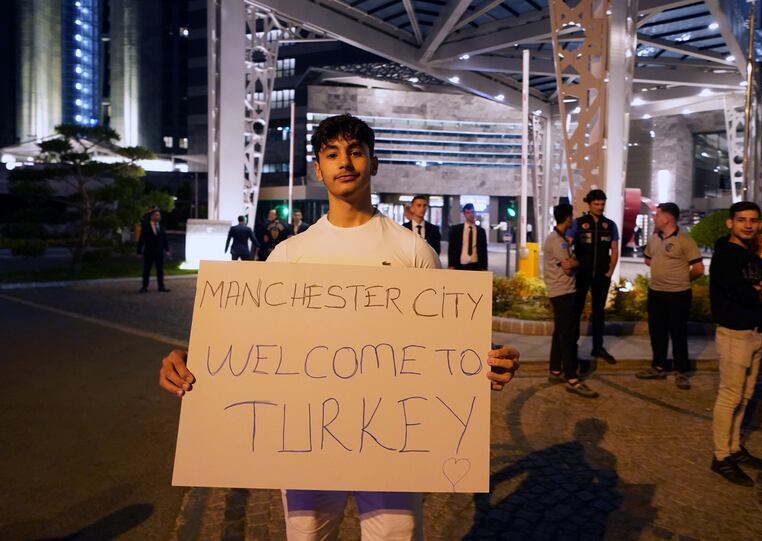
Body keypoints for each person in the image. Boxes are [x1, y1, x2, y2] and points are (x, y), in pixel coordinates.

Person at [159, 113, 519, 541]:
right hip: (305, 436)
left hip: (394, 438)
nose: (344, 162)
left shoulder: (414, 252)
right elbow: (253, 345)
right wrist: (192, 359)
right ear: (318, 169)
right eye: (332, 154)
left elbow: (442, 345)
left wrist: (490, 357)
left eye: (355, 152)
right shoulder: (289, 255)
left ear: (374, 162)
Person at [708, 201, 762, 487]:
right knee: (730, 395)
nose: (748, 224)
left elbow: (755, 291)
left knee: (745, 396)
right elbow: (740, 293)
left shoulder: (755, 259)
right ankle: (720, 457)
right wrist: (758, 291)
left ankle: (733, 447)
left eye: (753, 220)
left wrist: (757, 291)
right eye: (742, 219)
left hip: (757, 332)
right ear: (730, 223)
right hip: (734, 333)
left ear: (759, 225)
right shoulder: (724, 256)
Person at [636, 203, 704, 389]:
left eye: (657, 215)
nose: (654, 218)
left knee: (678, 333)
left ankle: (681, 371)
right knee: (656, 332)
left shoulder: (684, 240)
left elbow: (698, 269)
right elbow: (648, 259)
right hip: (655, 293)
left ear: (667, 218)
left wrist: (682, 280)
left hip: (678, 295)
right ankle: (658, 367)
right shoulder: (654, 239)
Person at [543, 203, 598, 398]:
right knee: (568, 335)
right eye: (571, 216)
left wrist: (573, 261)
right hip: (563, 292)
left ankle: (555, 370)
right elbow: (568, 266)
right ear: (567, 218)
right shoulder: (558, 242)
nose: (573, 219)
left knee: (560, 332)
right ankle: (571, 377)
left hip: (560, 291)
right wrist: (577, 262)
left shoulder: (560, 238)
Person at [567, 189, 619, 364]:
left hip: (602, 276)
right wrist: (570, 265)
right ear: (589, 205)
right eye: (596, 204)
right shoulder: (578, 223)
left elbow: (615, 250)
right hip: (582, 275)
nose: (600, 207)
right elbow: (566, 245)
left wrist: (610, 272)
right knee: (575, 312)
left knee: (599, 313)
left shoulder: (610, 225)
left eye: (602, 204)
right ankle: (572, 347)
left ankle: (598, 347)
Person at [137, 206, 171, 293]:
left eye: (159, 215)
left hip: (159, 252)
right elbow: (141, 240)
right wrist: (139, 251)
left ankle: (161, 286)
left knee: (160, 269)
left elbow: (164, 239)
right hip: (149, 251)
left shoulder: (161, 226)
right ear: (151, 216)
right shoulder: (146, 227)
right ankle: (144, 286)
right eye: (156, 215)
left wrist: (167, 249)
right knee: (147, 269)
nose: (158, 217)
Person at [448, 203, 488, 271]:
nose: (471, 215)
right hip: (460, 265)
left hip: (476, 265)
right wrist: (451, 265)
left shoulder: (481, 231)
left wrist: (484, 267)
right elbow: (451, 248)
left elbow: (484, 250)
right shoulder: (456, 230)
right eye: (468, 212)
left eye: (472, 212)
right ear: (464, 214)